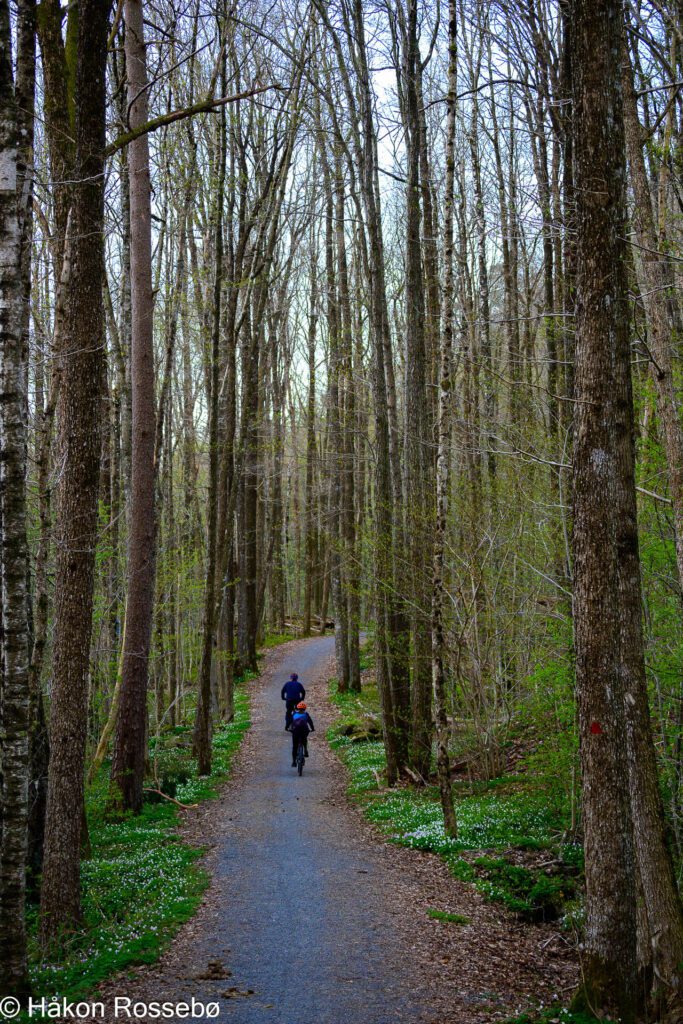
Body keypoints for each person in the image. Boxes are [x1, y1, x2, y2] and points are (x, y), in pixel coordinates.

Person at [288, 701, 314, 766]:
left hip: (295, 731)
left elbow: (289, 721)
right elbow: (310, 722)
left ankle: (294, 762)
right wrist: (312, 729)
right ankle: (305, 749)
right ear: (304, 709)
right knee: (304, 739)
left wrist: (287, 728)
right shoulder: (306, 714)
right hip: (304, 731)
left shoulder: (294, 714)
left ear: (297, 708)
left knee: (295, 746)